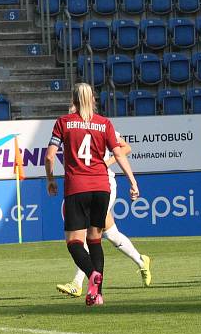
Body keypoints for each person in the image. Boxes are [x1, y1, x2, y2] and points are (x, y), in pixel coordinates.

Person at [45, 83, 140, 307]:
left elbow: (50, 157)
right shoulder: (104, 123)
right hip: (101, 187)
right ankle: (97, 295)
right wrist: (133, 182)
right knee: (95, 240)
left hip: (77, 187)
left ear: (74, 100)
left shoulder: (64, 123)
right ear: (93, 99)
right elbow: (120, 154)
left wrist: (50, 180)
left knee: (74, 242)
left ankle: (92, 275)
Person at [56, 132, 152, 297]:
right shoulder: (73, 127)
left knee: (87, 232)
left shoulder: (101, 126)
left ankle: (77, 283)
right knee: (111, 234)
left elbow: (126, 147)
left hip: (104, 185)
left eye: (75, 106)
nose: (73, 110)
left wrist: (106, 162)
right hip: (84, 186)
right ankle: (142, 260)